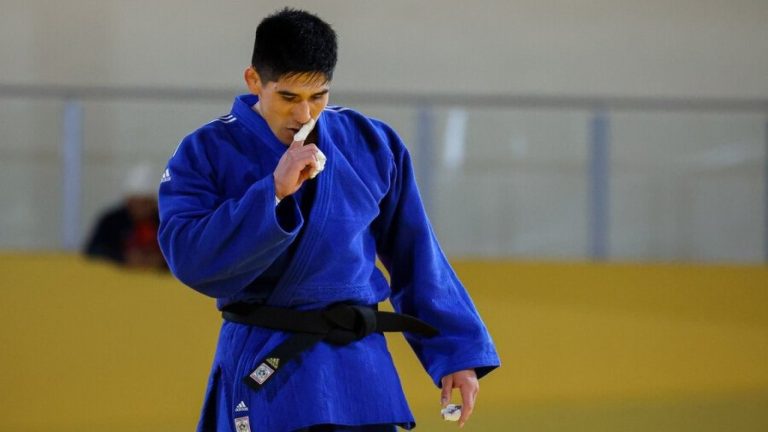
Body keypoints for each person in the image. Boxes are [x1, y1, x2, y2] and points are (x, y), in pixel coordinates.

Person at [158, 8, 499, 432]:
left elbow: (416, 254)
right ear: (254, 81)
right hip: (271, 361)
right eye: (288, 97)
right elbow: (189, 256)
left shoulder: (372, 143)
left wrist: (457, 352)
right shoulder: (205, 150)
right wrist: (273, 194)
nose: (304, 115)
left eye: (318, 96)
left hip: (358, 367)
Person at [85, 162, 166, 270]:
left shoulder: (165, 222)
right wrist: (122, 258)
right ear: (128, 201)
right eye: (135, 202)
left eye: (145, 203)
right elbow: (93, 250)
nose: (140, 208)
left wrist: (162, 261)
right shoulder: (112, 221)